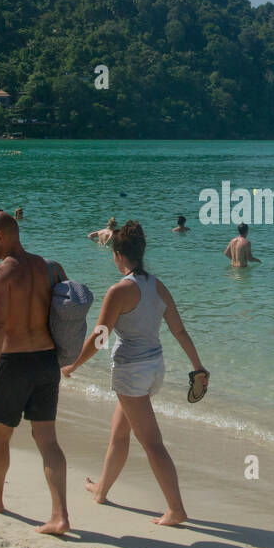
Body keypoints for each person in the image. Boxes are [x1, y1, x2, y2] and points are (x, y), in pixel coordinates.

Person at [62, 221, 206, 526]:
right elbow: (179, 330)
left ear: (117, 254)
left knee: (152, 443)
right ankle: (101, 490)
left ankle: (176, 509)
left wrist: (73, 364)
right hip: (154, 369)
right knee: (119, 433)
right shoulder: (158, 286)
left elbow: (101, 336)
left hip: (131, 372)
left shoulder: (119, 291)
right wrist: (198, 366)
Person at [0, 212, 69, 533]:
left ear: (0, 236)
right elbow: (67, 312)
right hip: (46, 362)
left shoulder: (0, 274)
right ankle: (60, 516)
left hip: (13, 364)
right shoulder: (49, 267)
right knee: (47, 440)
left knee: (0, 435)